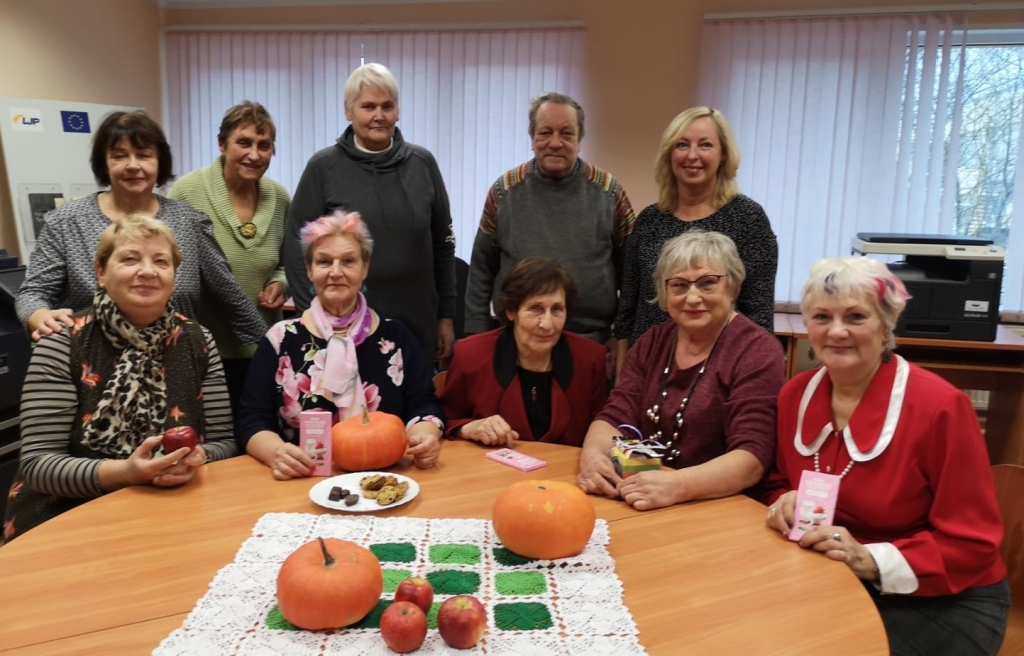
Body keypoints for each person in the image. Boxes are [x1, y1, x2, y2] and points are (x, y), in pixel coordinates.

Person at [764, 257, 1008, 655]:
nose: (837, 331)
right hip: (830, 575)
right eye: (822, 316)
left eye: (856, 316)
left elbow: (972, 544)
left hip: (944, 596)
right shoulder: (795, 395)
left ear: (886, 326)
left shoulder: (941, 407)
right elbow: (776, 481)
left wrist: (869, 560)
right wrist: (782, 502)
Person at [2, 214, 237, 544]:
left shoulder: (198, 340)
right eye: (129, 258)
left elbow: (224, 441)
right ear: (101, 272)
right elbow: (39, 466)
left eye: (161, 261)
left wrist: (200, 457)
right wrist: (126, 473)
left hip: (174, 508)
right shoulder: (60, 343)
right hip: (68, 519)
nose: (147, 271)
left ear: (173, 275)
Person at [15, 110, 266, 346]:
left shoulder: (190, 223)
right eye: (119, 155)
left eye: (144, 155)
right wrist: (39, 316)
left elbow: (230, 295)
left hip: (176, 363)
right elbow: (33, 293)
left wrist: (275, 348)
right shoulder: (65, 223)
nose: (133, 165)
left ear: (159, 163)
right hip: (89, 368)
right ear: (104, 164)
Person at [577, 231, 785, 511]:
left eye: (708, 283)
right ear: (664, 294)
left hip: (721, 507)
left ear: (733, 287)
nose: (693, 297)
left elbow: (751, 458)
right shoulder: (652, 341)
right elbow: (614, 415)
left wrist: (676, 486)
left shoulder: (756, 351)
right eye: (679, 285)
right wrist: (592, 458)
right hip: (643, 496)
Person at [239, 211, 443, 479]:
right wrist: (276, 452)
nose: (336, 272)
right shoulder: (281, 339)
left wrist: (424, 436)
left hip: (387, 476)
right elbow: (251, 420)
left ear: (365, 268)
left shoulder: (396, 336)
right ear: (309, 269)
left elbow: (424, 405)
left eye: (348, 261)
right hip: (302, 478)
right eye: (324, 261)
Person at [284, 63, 456, 366]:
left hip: (417, 324)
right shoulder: (323, 167)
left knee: (415, 409)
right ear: (348, 111)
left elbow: (443, 247)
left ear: (398, 112)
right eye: (368, 106)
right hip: (342, 328)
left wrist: (446, 316)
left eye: (387, 106)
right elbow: (298, 250)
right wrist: (310, 318)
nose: (379, 115)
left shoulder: (423, 164)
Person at [614, 107, 777, 374]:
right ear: (669, 154)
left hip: (716, 374)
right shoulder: (648, 221)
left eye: (705, 145)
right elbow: (627, 312)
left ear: (723, 154)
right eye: (682, 145)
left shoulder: (749, 220)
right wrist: (622, 379)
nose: (692, 155)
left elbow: (757, 316)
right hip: (647, 370)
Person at [465, 92, 636, 346]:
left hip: (592, 341)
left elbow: (632, 275)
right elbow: (481, 270)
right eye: (545, 132)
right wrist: (477, 336)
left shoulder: (610, 193)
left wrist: (622, 336)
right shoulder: (504, 191)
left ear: (579, 140)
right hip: (516, 340)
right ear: (532, 138)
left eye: (566, 133)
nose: (555, 142)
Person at [168, 101, 290, 413]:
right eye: (243, 142)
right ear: (222, 144)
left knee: (259, 435)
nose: (254, 154)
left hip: (263, 347)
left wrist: (280, 282)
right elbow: (168, 265)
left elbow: (291, 261)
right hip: (203, 351)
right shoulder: (186, 192)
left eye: (264, 145)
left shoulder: (279, 197)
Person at [441, 258, 608, 447]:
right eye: (535, 309)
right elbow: (446, 419)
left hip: (566, 472)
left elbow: (603, 428)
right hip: (491, 470)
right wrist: (469, 427)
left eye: (556, 310)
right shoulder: (470, 354)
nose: (546, 324)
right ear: (512, 311)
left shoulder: (591, 359)